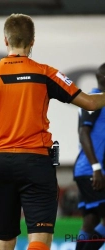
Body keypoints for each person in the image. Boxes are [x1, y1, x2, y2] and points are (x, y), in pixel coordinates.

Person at [0, 13, 105, 250]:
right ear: (32, 41)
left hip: (2, 163)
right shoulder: (45, 73)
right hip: (36, 163)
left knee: (3, 240)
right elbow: (89, 103)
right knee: (39, 237)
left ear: (5, 41)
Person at [73, 63, 105, 250]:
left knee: (91, 219)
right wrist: (96, 167)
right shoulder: (93, 100)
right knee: (92, 220)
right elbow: (84, 132)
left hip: (92, 169)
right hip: (90, 169)